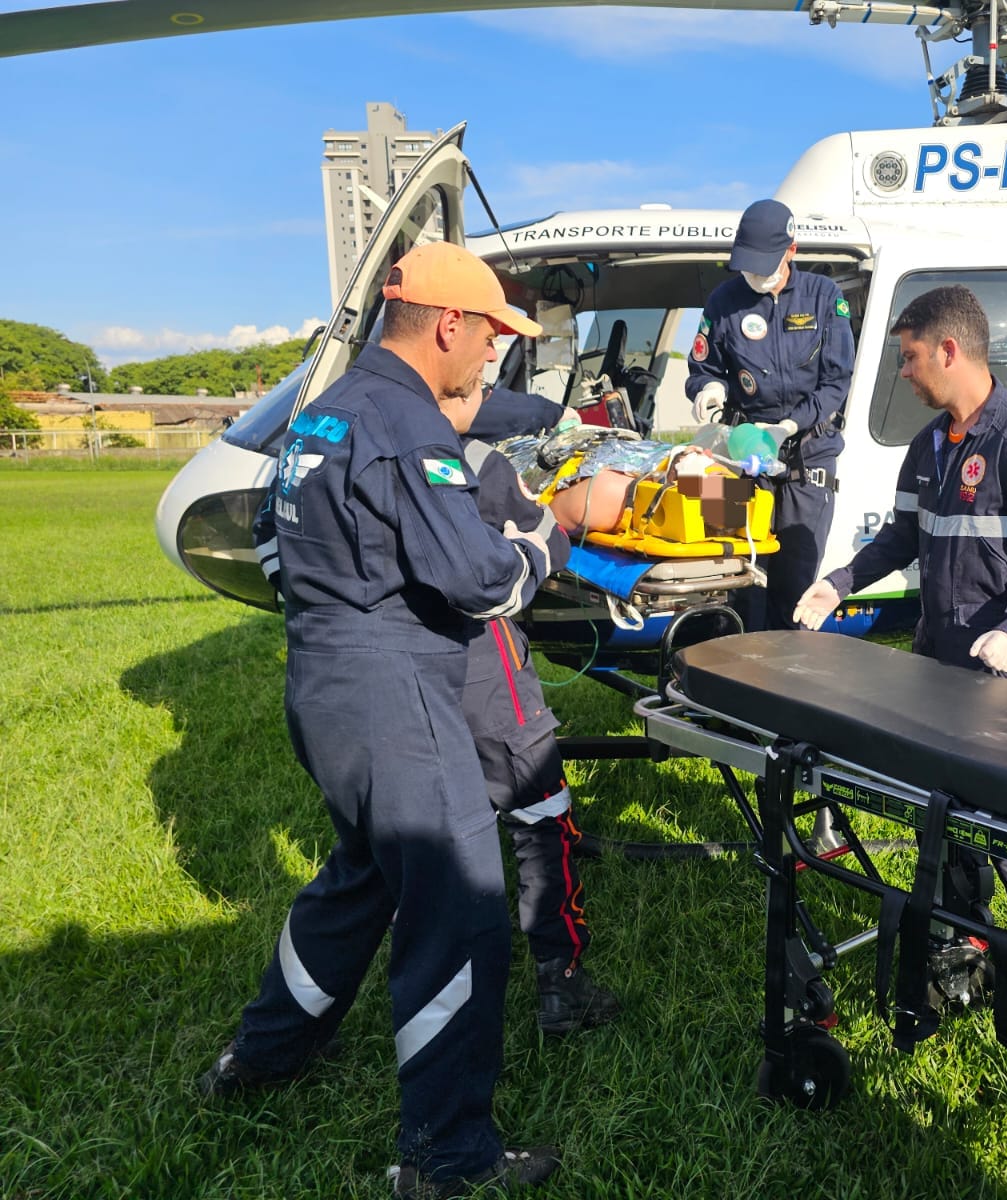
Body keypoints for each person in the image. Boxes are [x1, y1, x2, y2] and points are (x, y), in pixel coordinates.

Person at [203, 240, 564, 1198]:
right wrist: (547, 536)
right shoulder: (406, 423)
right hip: (394, 694)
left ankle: (263, 1055)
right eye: (489, 335)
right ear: (449, 323)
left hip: (323, 682)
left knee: (360, 878)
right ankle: (446, 1158)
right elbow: (478, 581)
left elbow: (273, 551)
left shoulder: (322, 415)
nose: (491, 356)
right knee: (456, 909)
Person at [792, 283, 1007, 1014]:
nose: (904, 371)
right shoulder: (927, 445)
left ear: (949, 350)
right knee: (949, 822)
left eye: (911, 355)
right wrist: (838, 583)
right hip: (939, 670)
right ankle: (967, 945)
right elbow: (898, 540)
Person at [456, 433, 622, 1036]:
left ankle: (449, 982)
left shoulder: (336, 436)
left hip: (390, 671)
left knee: (429, 826)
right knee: (541, 814)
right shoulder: (474, 460)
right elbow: (547, 536)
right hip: (479, 663)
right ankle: (561, 982)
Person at [686, 198, 856, 631]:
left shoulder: (824, 297)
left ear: (791, 251)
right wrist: (708, 389)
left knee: (792, 582)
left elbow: (837, 381)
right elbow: (704, 366)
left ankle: (782, 683)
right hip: (738, 454)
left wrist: (787, 426)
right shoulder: (723, 301)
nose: (755, 275)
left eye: (764, 265)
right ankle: (726, 678)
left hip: (807, 454)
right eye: (748, 266)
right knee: (727, 573)